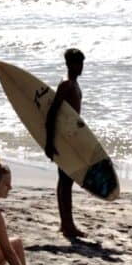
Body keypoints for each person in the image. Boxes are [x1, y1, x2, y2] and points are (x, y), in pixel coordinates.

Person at [50, 47, 89, 243]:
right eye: (79, 63)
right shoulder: (66, 84)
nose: (81, 67)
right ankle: (67, 225)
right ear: (70, 64)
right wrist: (50, 142)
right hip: (64, 140)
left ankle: (66, 223)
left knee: (65, 181)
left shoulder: (73, 83)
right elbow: (52, 113)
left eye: (82, 63)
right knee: (66, 181)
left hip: (71, 137)